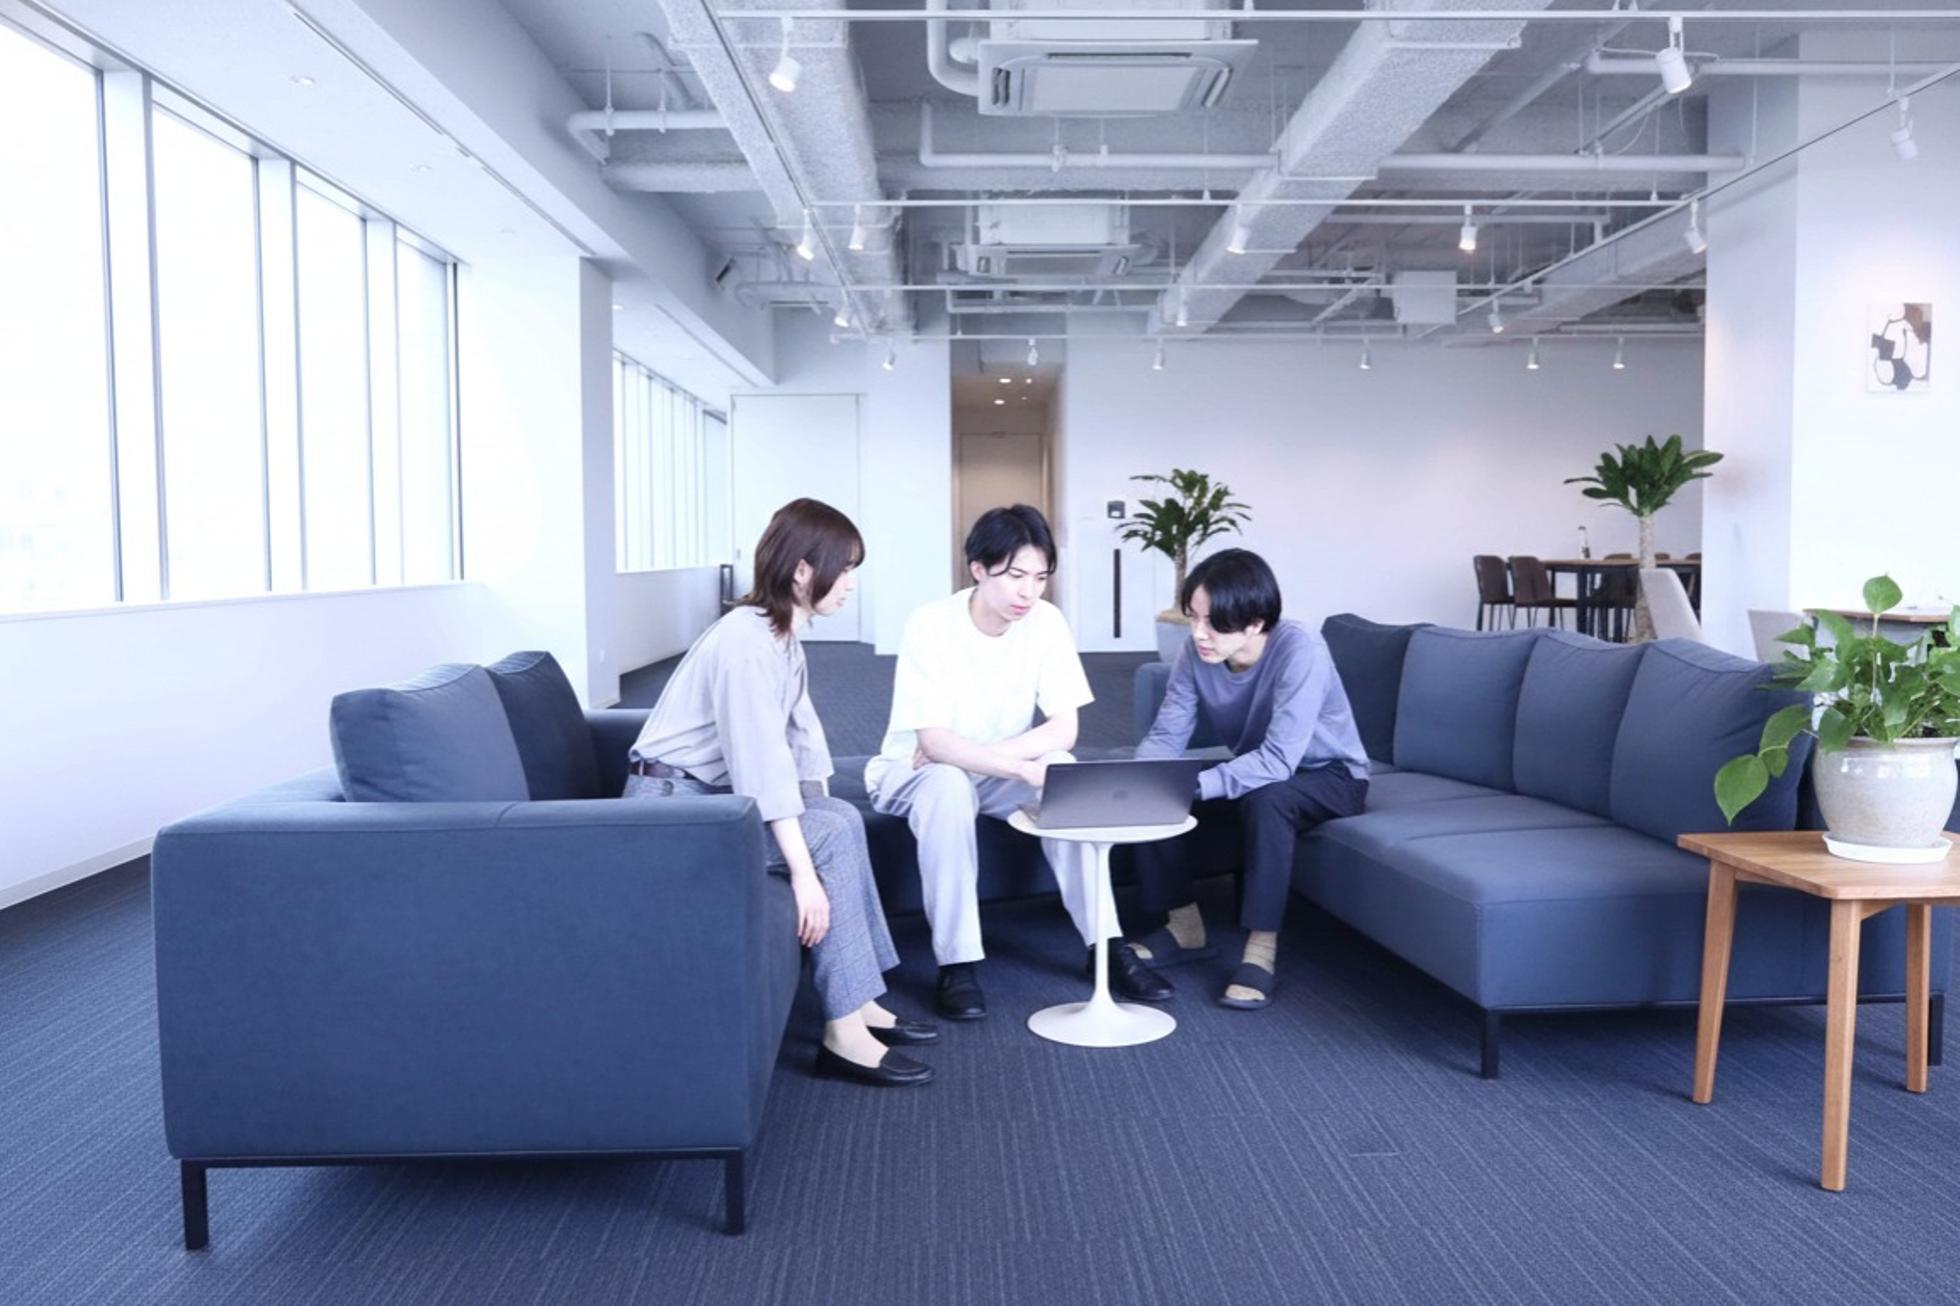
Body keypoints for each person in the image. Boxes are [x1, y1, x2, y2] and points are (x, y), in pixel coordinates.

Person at [625, 498, 935, 1088]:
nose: (851, 583)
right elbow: (760, 765)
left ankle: (861, 999)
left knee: (840, 817)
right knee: (829, 835)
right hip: (671, 812)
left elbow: (799, 739)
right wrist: (803, 872)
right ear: (801, 570)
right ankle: (843, 1034)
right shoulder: (746, 642)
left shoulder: (780, 632)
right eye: (844, 568)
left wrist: (820, 803)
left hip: (710, 800)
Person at [867, 504, 1171, 1021]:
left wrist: (990, 759)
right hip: (912, 772)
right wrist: (999, 763)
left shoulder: (1046, 622)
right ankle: (958, 962)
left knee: (1061, 767)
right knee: (948, 784)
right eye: (1014, 576)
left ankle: (1105, 943)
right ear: (978, 569)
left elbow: (1063, 728)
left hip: (988, 764)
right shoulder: (931, 624)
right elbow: (931, 746)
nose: (1028, 592)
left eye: (1040, 577)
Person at [1128, 548, 1369, 1011]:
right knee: (1156, 786)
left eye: (1214, 623)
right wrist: (1146, 779)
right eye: (1193, 617)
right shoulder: (1197, 651)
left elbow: (1280, 760)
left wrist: (1194, 786)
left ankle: (1260, 949)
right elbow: (1167, 734)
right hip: (1263, 769)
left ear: (1255, 623)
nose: (1198, 633)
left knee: (1267, 799)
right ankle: (1184, 927)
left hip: (1332, 775)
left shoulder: (1301, 648)